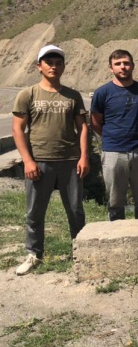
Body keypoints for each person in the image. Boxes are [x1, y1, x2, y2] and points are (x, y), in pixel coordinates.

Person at [12, 45, 89, 275]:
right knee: (35, 211)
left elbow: (83, 128)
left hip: (70, 161)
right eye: (49, 63)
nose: (53, 67)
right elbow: (18, 129)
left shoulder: (73, 96)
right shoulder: (28, 94)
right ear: (39, 66)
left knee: (75, 210)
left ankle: (80, 251)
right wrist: (28, 161)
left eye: (58, 63)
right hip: (39, 161)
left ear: (63, 67)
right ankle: (34, 254)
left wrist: (84, 157)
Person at [90, 50, 138, 221]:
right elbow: (95, 121)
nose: (123, 67)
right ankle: (117, 232)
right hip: (113, 151)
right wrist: (110, 137)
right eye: (118, 64)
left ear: (133, 66)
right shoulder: (102, 92)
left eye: (126, 63)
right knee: (115, 201)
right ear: (111, 68)